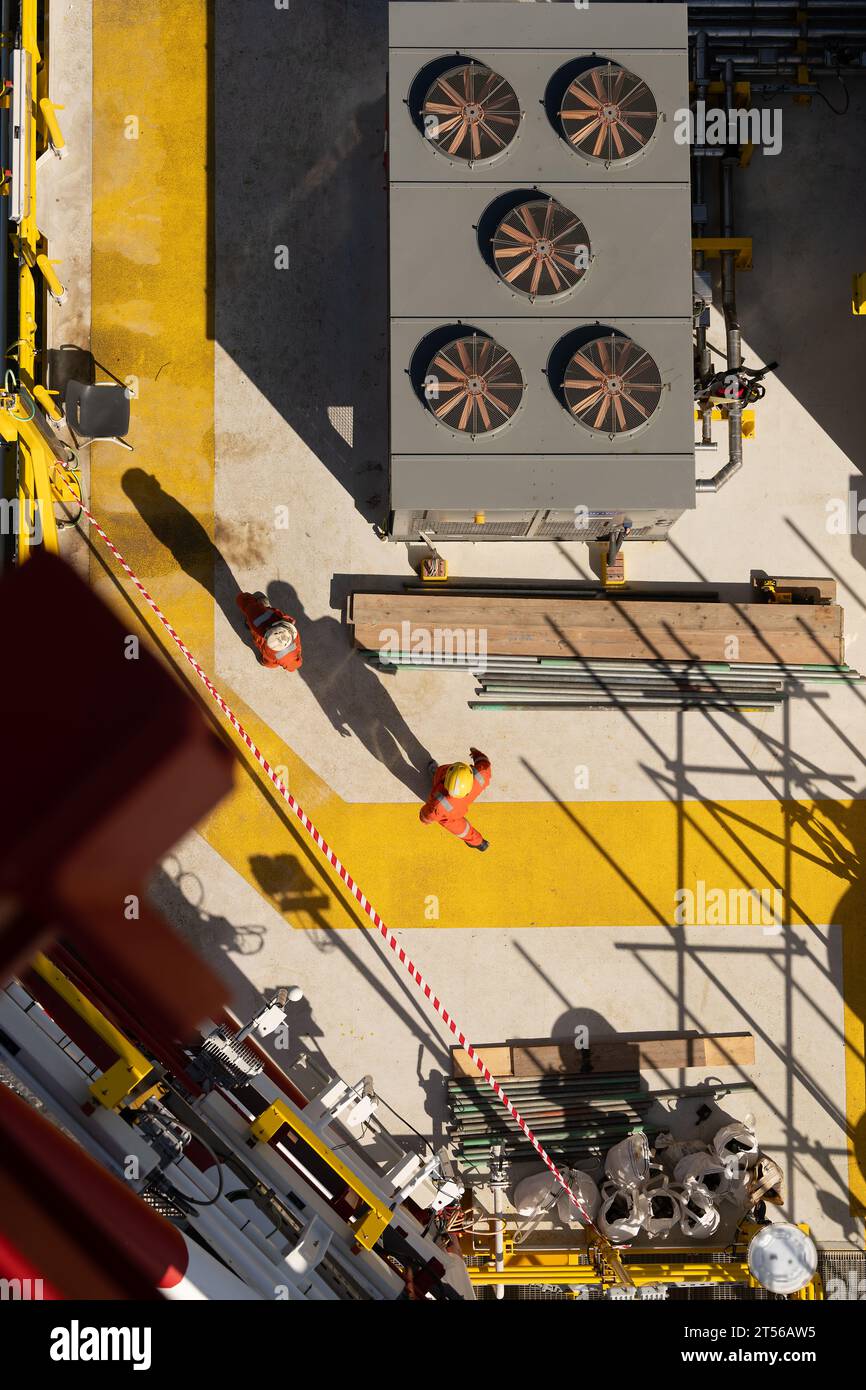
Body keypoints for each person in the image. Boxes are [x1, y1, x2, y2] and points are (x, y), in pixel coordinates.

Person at [419, 747, 491, 851]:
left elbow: (429, 815)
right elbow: (484, 762)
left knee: (463, 830)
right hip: (459, 809)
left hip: (449, 816)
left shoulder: (439, 803)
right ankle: (479, 844)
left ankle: (480, 843)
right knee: (464, 831)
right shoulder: (481, 775)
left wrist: (423, 817)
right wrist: (476, 753)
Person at [236, 592, 302, 671]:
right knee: (270, 664)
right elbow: (273, 662)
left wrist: (242, 598)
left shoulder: (256, 620)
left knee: (249, 609)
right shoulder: (294, 640)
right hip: (276, 657)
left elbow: (246, 604)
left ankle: (261, 607)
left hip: (259, 614)